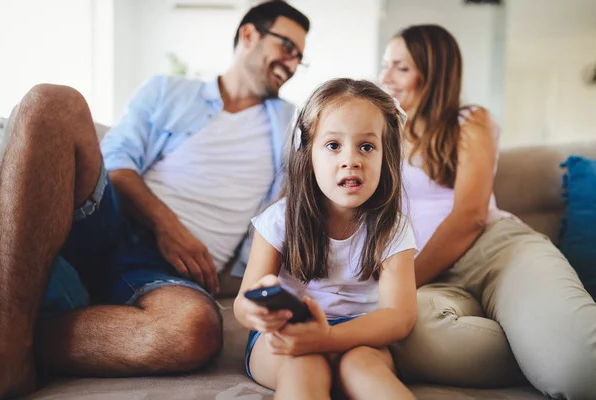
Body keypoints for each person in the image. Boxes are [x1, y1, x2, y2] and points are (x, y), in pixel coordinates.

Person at [0, 1, 310, 399]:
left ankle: (24, 334)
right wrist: (167, 225)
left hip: (166, 275)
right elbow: (118, 163)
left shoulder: (291, 124)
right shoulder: (169, 91)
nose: (292, 63)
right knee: (52, 102)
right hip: (111, 223)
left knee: (193, 329)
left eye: (300, 57)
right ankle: (7, 351)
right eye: (286, 47)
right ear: (249, 35)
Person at [379, 24, 596, 398]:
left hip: (493, 251)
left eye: (400, 67)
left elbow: (470, 216)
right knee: (409, 339)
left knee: (580, 374)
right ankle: (537, 345)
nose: (385, 78)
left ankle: (554, 344)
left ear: (434, 72)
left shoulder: (469, 120)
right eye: (385, 65)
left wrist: (402, 285)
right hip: (434, 279)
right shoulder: (380, 134)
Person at [233, 78, 418, 400]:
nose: (351, 160)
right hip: (288, 337)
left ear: (385, 156)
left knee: (363, 367)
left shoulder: (393, 227)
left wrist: (328, 338)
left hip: (360, 336)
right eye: (333, 145)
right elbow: (243, 301)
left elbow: (398, 317)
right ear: (308, 154)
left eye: (367, 146)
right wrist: (256, 312)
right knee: (304, 366)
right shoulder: (280, 219)